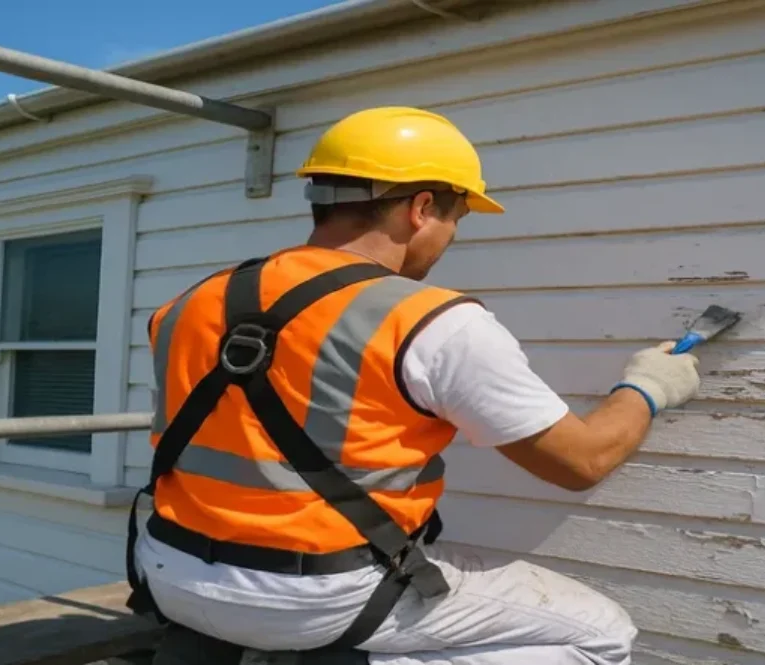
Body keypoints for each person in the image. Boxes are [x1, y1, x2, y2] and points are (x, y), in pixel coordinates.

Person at [128, 106, 702, 665]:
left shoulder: (190, 303)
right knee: (601, 637)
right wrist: (649, 387)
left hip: (170, 572)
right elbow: (580, 462)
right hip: (311, 598)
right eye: (457, 219)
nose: (450, 237)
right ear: (422, 207)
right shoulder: (430, 321)